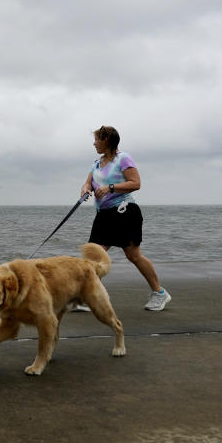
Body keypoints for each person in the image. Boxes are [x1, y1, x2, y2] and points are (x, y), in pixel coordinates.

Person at [76, 125, 171, 311]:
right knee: (94, 255)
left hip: (124, 213)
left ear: (107, 140)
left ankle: (159, 293)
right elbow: (88, 181)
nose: (94, 143)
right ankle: (89, 297)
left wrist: (111, 187)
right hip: (103, 215)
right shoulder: (97, 163)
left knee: (134, 256)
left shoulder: (123, 158)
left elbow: (136, 183)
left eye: (97, 139)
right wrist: (86, 188)